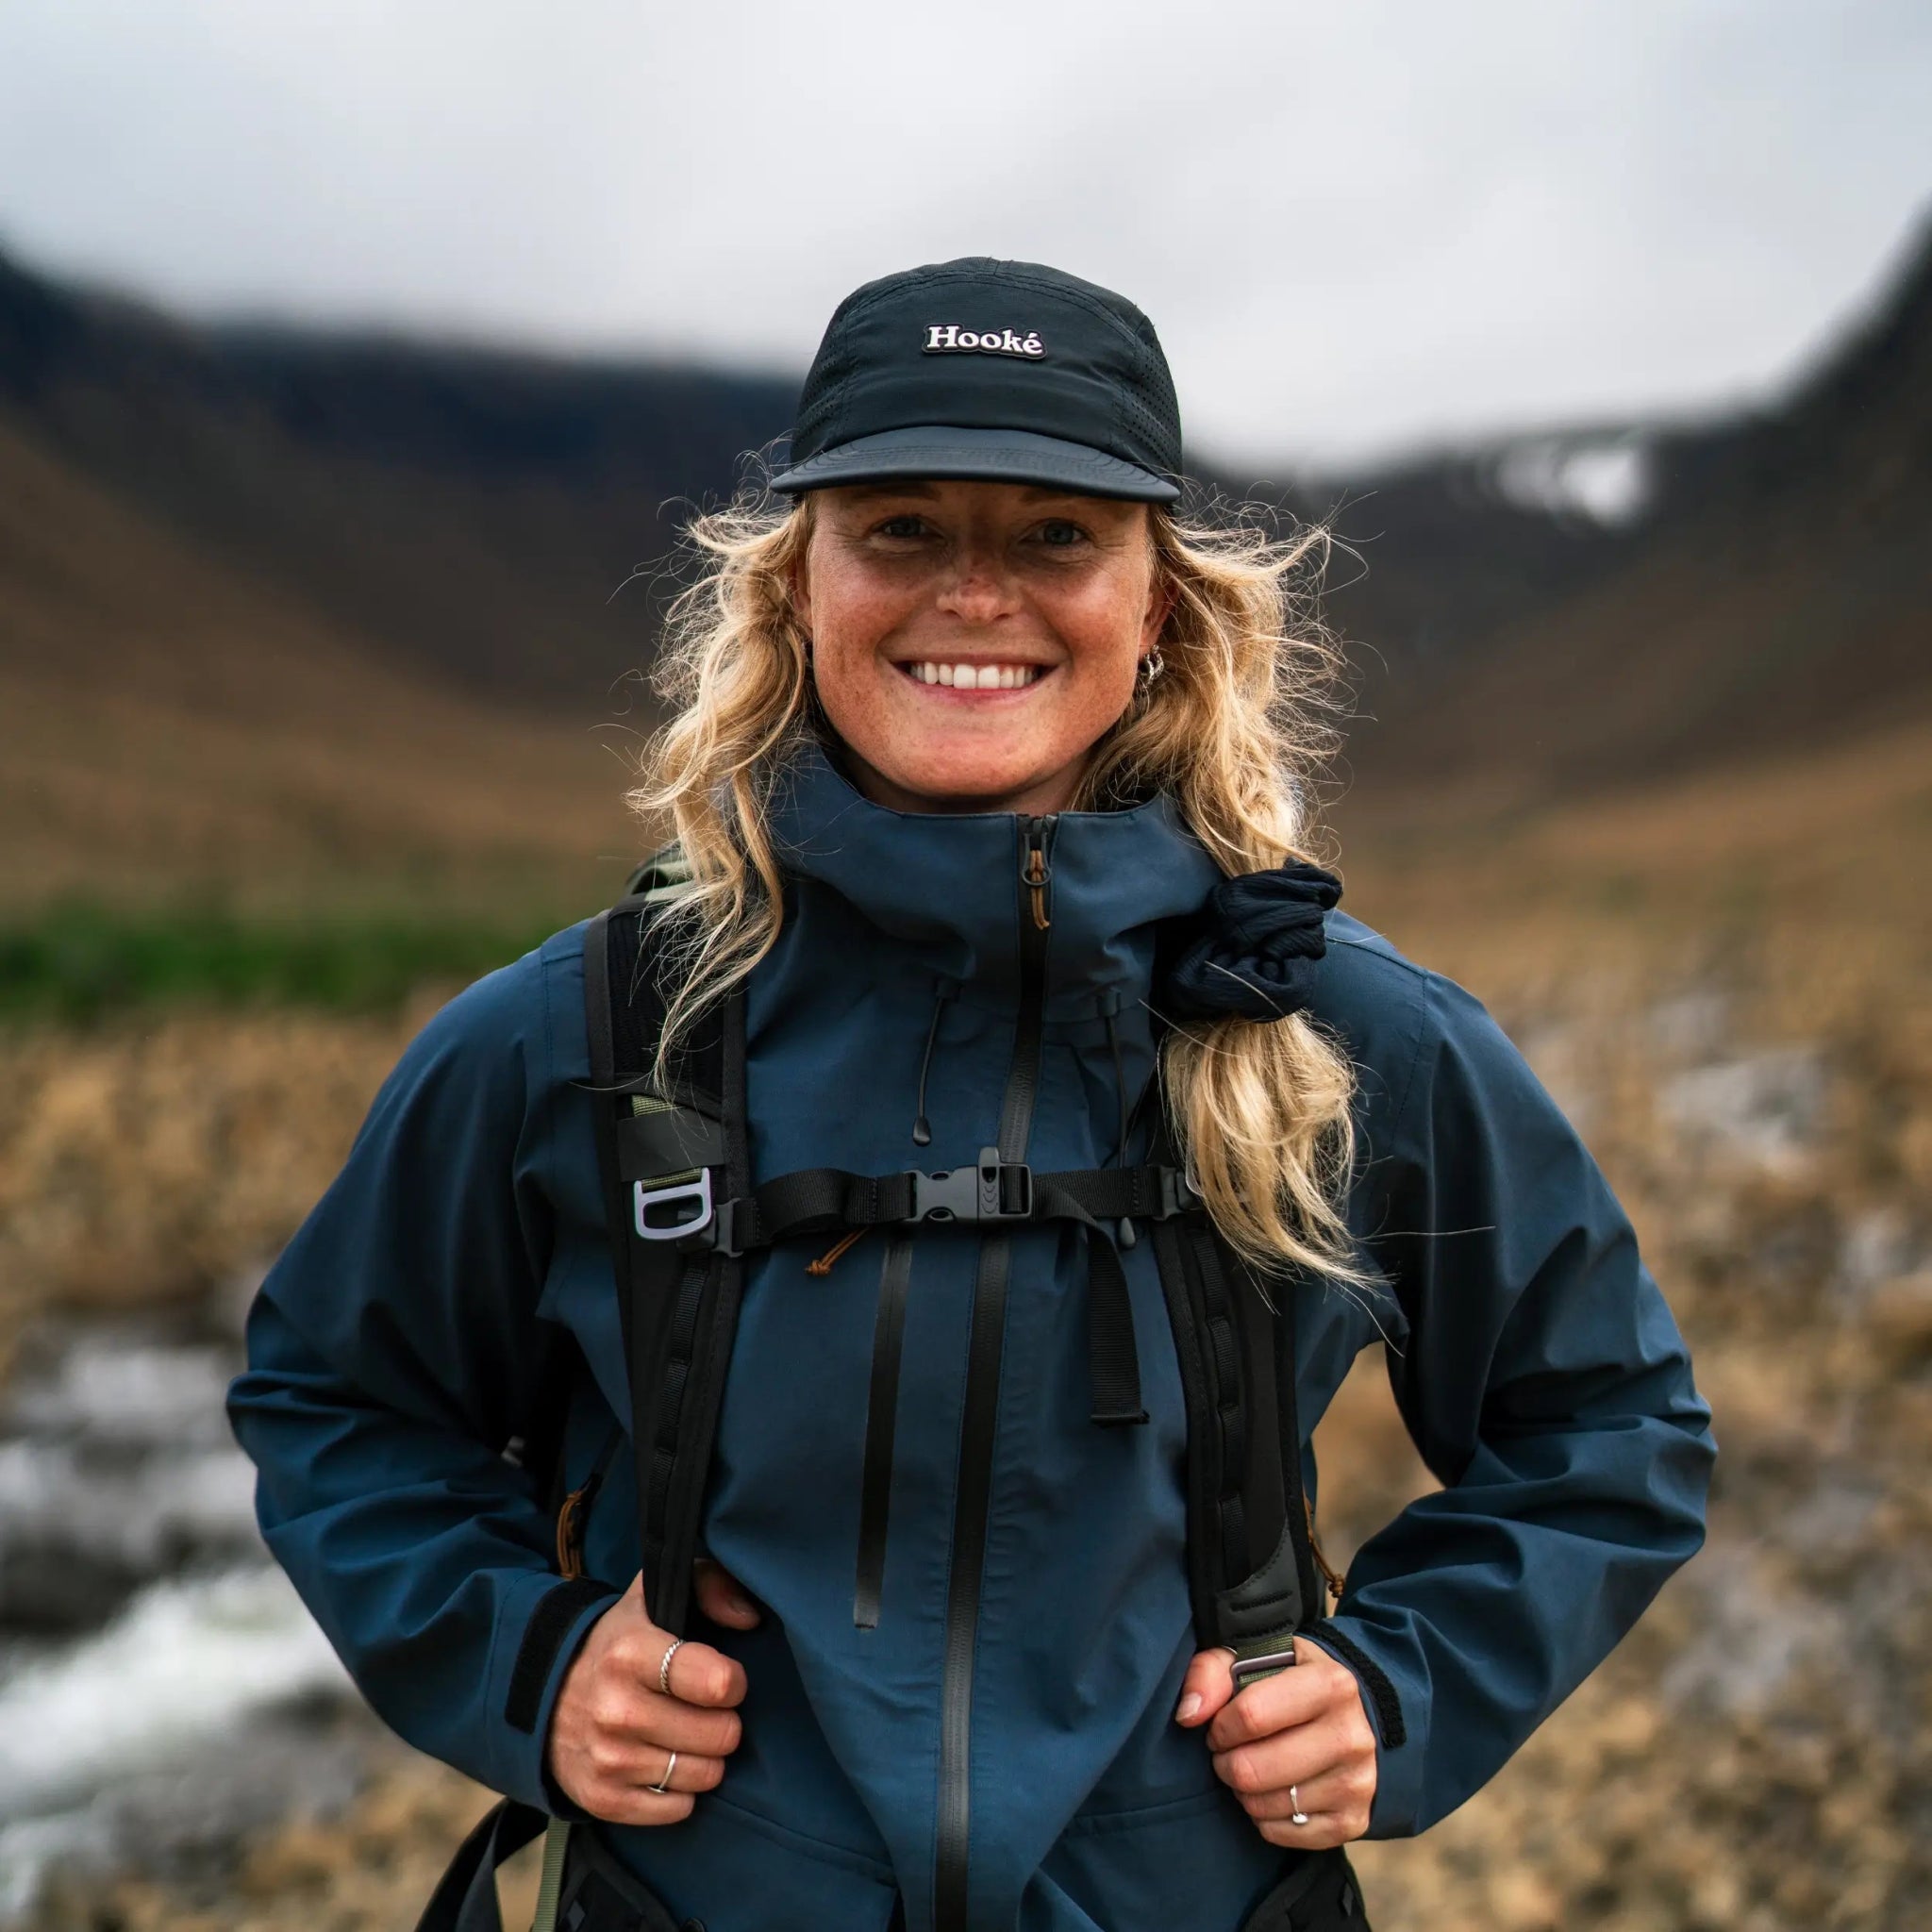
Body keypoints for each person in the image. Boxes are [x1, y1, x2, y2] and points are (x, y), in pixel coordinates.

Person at [228, 258, 1715, 1932]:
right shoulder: (581, 1035)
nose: (975, 593)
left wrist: (1399, 1690)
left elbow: (1610, 1428)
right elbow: (340, 1403)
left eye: (1056, 534)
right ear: (802, 585)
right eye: (904, 529)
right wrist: (536, 1660)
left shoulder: (1346, 1037)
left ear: (1158, 602)